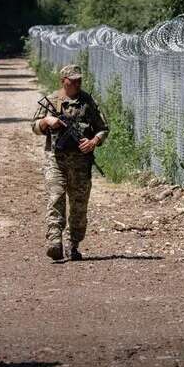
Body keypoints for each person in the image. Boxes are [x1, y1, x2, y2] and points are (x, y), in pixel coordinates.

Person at [32, 63, 109, 261]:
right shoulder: (51, 101)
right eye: (72, 80)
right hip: (55, 161)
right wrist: (46, 122)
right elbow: (34, 126)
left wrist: (93, 142)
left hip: (81, 163)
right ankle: (54, 241)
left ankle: (72, 244)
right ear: (63, 81)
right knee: (56, 198)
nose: (76, 83)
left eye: (79, 80)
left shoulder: (88, 102)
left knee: (79, 205)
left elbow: (103, 128)